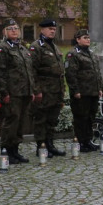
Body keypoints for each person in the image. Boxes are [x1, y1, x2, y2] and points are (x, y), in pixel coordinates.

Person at [0, 19, 34, 164]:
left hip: (25, 92)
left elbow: (29, 71)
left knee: (21, 122)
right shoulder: (2, 49)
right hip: (12, 93)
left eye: (16, 28)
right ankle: (7, 150)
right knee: (11, 121)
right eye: (10, 28)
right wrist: (4, 93)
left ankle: (15, 150)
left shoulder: (22, 49)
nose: (14, 31)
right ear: (4, 31)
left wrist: (32, 90)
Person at [30, 18, 66, 157]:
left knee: (52, 119)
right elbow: (32, 70)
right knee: (41, 119)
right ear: (42, 30)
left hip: (56, 90)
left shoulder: (55, 47)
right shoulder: (36, 47)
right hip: (44, 90)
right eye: (50, 29)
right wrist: (37, 90)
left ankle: (50, 144)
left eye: (54, 29)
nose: (52, 31)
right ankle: (41, 146)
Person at [65, 29, 103, 153]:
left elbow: (97, 73)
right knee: (81, 118)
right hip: (81, 93)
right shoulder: (73, 54)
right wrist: (75, 90)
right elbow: (71, 74)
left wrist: (99, 89)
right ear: (78, 39)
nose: (88, 40)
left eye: (88, 37)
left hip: (93, 92)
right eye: (85, 37)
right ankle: (80, 142)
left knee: (90, 118)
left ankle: (88, 141)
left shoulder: (91, 53)